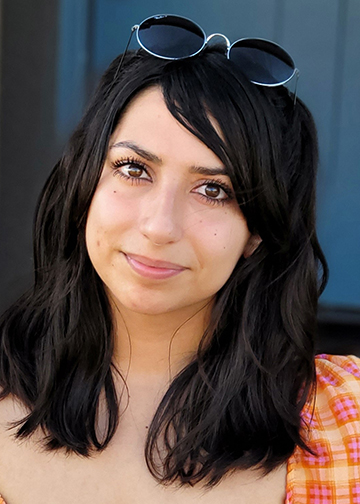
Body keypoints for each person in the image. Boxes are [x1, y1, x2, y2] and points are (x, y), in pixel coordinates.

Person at [0, 14, 359, 504]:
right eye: (133, 168)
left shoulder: (347, 420)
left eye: (214, 190)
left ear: (257, 230)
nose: (159, 226)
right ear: (85, 183)